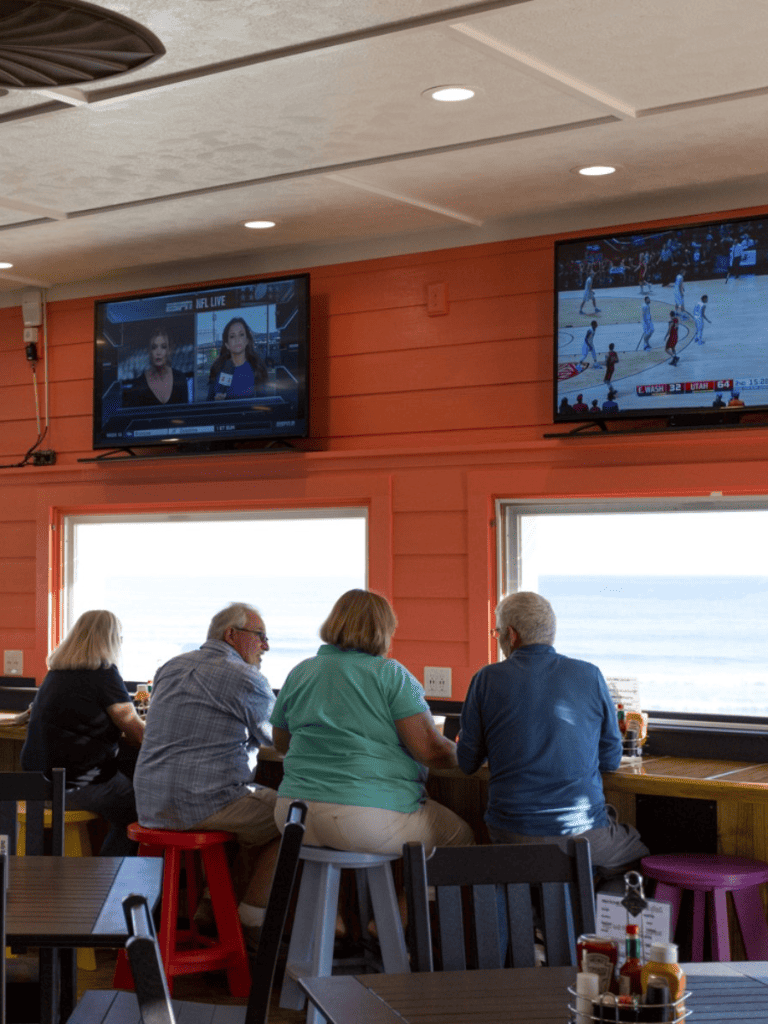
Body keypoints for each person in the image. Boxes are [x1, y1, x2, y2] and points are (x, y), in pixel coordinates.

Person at [457, 592, 647, 879]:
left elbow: (467, 762)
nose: (497, 638)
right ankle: (587, 917)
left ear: (511, 634)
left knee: (537, 871)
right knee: (637, 854)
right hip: (581, 836)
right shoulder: (590, 675)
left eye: (497, 633)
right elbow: (610, 760)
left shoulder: (485, 679)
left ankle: (541, 919)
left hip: (509, 834)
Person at [270, 589, 473, 854]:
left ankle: (340, 898)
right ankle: (410, 898)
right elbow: (430, 751)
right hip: (365, 820)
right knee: (461, 838)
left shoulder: (301, 671)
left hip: (292, 817)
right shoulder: (391, 675)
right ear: (383, 629)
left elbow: (281, 743)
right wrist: (466, 752)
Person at [133, 602, 280, 940]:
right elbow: (277, 736)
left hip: (149, 803)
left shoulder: (172, 666)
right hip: (201, 803)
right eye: (260, 636)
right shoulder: (245, 677)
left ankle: (211, 908)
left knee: (249, 815)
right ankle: (251, 922)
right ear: (232, 635)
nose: (266, 646)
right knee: (298, 816)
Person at [21, 610, 144, 856]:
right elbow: (137, 732)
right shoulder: (104, 674)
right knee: (140, 814)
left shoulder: (56, 674)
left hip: (37, 783)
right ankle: (110, 882)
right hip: (77, 786)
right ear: (111, 639)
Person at [122, 326, 189, 406]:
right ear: (149, 351)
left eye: (163, 347)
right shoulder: (139, 385)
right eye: (154, 347)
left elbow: (184, 414)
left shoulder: (180, 378)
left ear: (169, 350)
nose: (158, 352)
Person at [207, 317, 268, 400]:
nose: (237, 339)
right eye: (232, 336)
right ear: (227, 344)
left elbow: (264, 404)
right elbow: (208, 403)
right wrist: (216, 403)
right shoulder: (218, 369)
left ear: (247, 340)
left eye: (241, 334)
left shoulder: (256, 368)